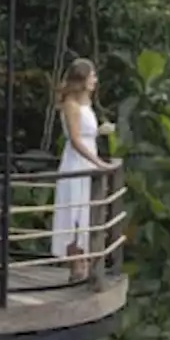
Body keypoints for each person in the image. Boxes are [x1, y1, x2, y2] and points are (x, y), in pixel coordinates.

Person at [51, 58, 115, 279]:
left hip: (89, 154)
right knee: (74, 211)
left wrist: (99, 132)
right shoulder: (71, 104)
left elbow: (86, 133)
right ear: (82, 79)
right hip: (76, 162)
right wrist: (98, 163)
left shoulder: (86, 102)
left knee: (87, 210)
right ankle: (76, 264)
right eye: (92, 76)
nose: (95, 80)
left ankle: (85, 260)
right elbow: (76, 139)